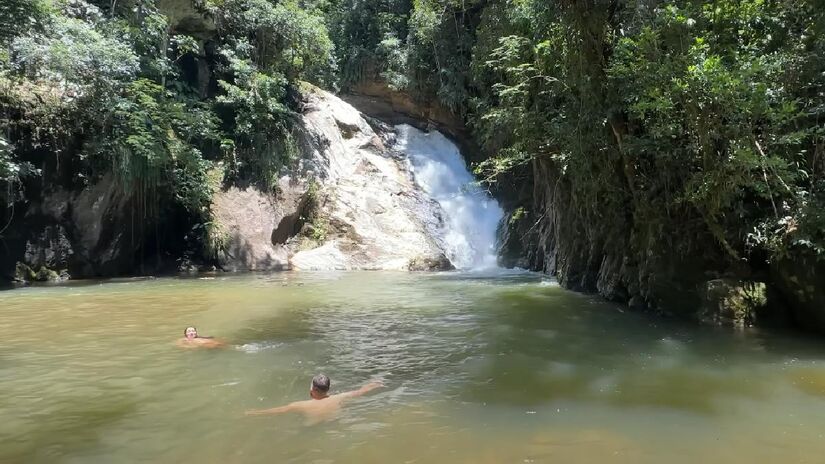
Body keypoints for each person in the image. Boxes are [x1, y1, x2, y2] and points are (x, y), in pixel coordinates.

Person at [245, 374, 383, 424]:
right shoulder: (339, 397)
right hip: (333, 422)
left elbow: (276, 411)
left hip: (312, 427)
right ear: (328, 389)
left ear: (312, 390)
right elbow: (360, 392)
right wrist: (373, 384)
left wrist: (254, 412)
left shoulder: (300, 405)